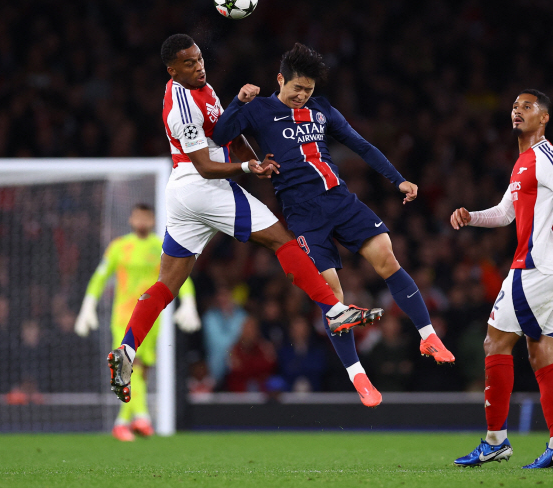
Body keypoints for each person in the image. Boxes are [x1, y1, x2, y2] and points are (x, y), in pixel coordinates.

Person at [107, 34, 381, 406]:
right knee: (281, 240)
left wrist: (257, 160)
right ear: (172, 70)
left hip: (183, 197)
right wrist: (247, 166)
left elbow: (230, 134)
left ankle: (126, 349)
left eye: (199, 58)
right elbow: (205, 167)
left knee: (167, 283)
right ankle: (334, 309)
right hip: (200, 185)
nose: (198, 66)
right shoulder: (180, 105)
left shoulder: (204, 88)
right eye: (188, 63)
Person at [213, 43, 455, 407]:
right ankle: (358, 376)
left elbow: (361, 145)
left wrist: (398, 180)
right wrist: (238, 100)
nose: (302, 95)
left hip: (340, 200)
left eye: (308, 90)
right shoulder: (259, 110)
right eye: (297, 88)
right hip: (303, 213)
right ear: (280, 80)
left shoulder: (322, 110)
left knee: (388, 258)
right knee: (333, 296)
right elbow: (219, 135)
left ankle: (427, 335)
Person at [449, 90, 553, 469]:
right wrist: (471, 217)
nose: (517, 111)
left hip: (537, 268)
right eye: (514, 106)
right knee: (542, 353)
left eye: (527, 106)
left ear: (544, 117)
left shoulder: (547, 158)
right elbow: (505, 213)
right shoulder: (523, 162)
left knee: (494, 342)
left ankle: (495, 441)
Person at [76, 203, 200, 441]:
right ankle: (142, 417)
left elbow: (177, 275)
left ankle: (121, 422)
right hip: (123, 316)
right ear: (131, 220)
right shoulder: (119, 247)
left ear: (152, 220)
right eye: (138, 217)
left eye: (146, 217)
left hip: (152, 318)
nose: (142, 221)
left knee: (141, 373)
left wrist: (188, 302)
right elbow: (100, 277)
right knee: (132, 365)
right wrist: (88, 306)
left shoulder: (161, 246)